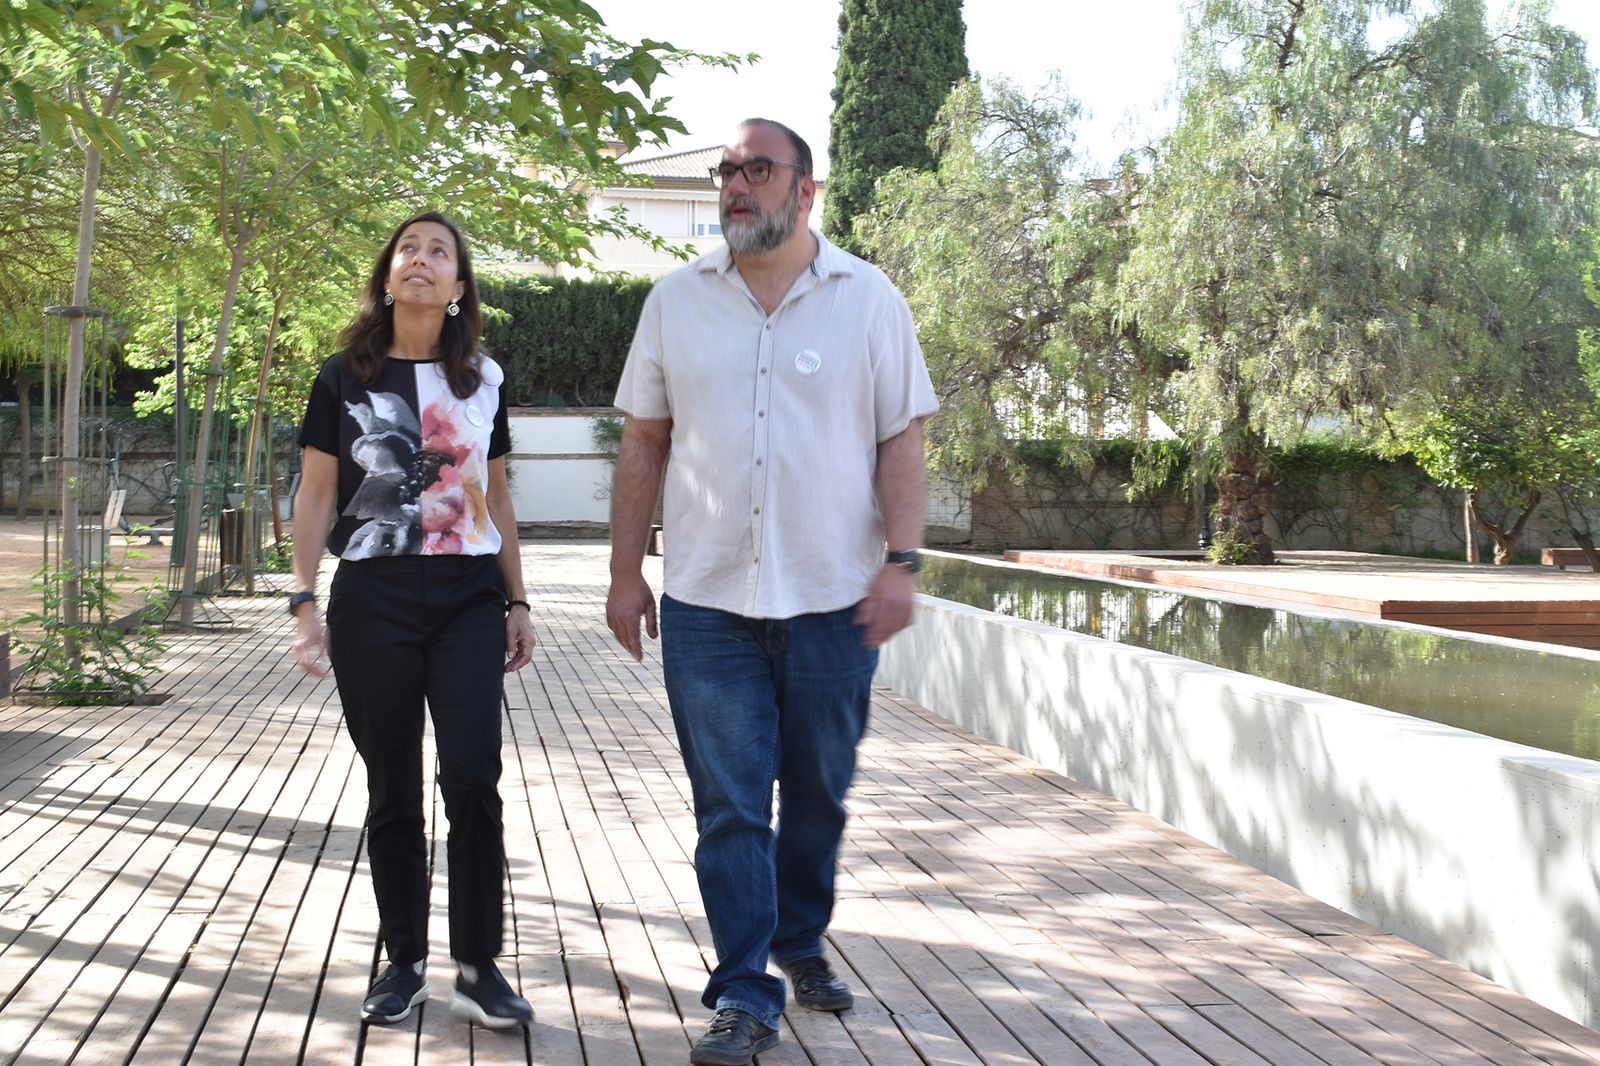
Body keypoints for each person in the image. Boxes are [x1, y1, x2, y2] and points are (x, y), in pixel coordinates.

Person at [606, 118, 937, 1065]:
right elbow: (644, 441)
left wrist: (902, 562)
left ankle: (799, 938)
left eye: (758, 169)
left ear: (806, 190)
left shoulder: (869, 299)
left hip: (835, 601)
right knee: (731, 807)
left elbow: (898, 441)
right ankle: (746, 991)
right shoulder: (674, 301)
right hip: (709, 605)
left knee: (820, 796)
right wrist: (627, 572)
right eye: (726, 172)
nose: (735, 185)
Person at [291, 211, 536, 1032]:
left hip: (467, 596)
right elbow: (317, 493)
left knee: (473, 774)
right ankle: (403, 962)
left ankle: (478, 964)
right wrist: (300, 599)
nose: (423, 260)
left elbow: (496, 497)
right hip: (373, 598)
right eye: (409, 249)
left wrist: (519, 598)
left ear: (459, 286)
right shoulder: (342, 378)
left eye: (440, 252)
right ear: (388, 276)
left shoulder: (483, 382)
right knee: (392, 784)